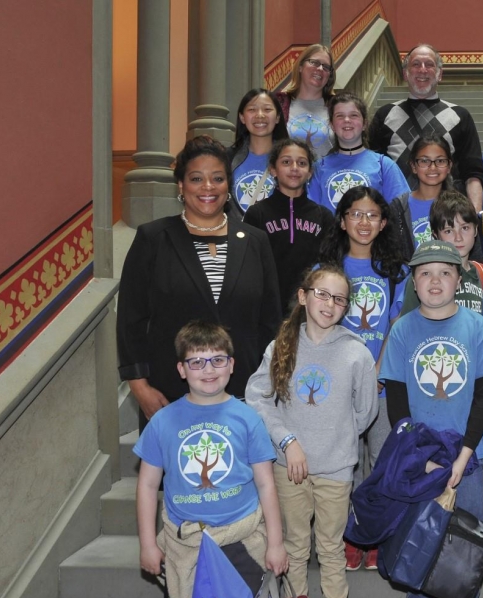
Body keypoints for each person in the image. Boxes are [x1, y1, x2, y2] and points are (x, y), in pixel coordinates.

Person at [245, 265, 378, 598]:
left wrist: (334, 439)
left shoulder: (356, 352)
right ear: (304, 296)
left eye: (339, 299)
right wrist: (289, 441)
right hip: (291, 468)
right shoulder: (281, 346)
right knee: (295, 546)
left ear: (345, 307)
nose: (329, 304)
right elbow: (258, 399)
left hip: (336, 469)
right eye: (322, 294)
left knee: (332, 547)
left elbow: (365, 412)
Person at [380, 240, 483, 598]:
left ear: (459, 278)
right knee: (419, 534)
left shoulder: (476, 326)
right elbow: (397, 404)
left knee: (464, 540)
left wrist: (465, 453)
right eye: (426, 273)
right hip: (421, 460)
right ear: (414, 281)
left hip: (467, 459)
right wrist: (423, 459)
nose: (435, 281)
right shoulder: (402, 330)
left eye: (445, 273)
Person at [135, 320, 287, 598]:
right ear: (181, 369)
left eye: (217, 359)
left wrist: (275, 543)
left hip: (241, 542)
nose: (208, 369)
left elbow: (266, 484)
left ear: (231, 365)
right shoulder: (163, 421)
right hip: (185, 544)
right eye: (197, 361)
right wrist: (148, 544)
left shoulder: (247, 419)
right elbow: (147, 486)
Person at [117, 136, 282, 428]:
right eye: (196, 178)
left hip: (243, 393)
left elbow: (270, 322)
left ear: (228, 185)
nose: (208, 187)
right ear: (181, 185)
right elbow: (131, 319)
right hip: (170, 394)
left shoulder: (256, 241)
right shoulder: (153, 239)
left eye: (217, 178)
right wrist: (139, 387)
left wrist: (267, 386)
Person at [316, 186, 408, 571]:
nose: (364, 222)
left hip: (382, 381)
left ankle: (377, 536)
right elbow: (318, 326)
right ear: (342, 220)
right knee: (345, 464)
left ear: (384, 222)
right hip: (339, 382)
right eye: (356, 214)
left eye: (372, 215)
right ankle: (350, 537)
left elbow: (397, 322)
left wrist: (378, 369)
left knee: (382, 460)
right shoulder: (326, 271)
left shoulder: (396, 271)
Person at [368, 44, 483, 209]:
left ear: (439, 74)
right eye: (416, 64)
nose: (422, 70)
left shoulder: (460, 116)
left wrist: (475, 217)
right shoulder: (385, 115)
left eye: (429, 65)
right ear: (405, 74)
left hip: (447, 215)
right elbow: (372, 171)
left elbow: (473, 174)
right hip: (397, 213)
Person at [243, 138, 335, 313]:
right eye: (286, 162)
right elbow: (249, 268)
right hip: (266, 307)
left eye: (301, 163)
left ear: (309, 172)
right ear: (273, 169)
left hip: (309, 308)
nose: (294, 167)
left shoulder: (323, 216)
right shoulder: (257, 214)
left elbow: (330, 267)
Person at [307, 91, 410, 215]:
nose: (347, 120)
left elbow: (402, 212)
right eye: (340, 116)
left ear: (365, 124)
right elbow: (311, 215)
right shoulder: (318, 167)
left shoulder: (384, 165)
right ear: (332, 125)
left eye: (353, 115)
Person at [399, 191, 483, 317]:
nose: (458, 238)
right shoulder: (424, 275)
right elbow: (407, 325)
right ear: (435, 235)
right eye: (448, 231)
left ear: (475, 229)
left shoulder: (482, 273)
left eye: (465, 228)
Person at [389, 133, 454, 258]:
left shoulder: (461, 206)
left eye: (440, 161)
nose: (433, 167)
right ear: (413, 166)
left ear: (449, 166)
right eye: (424, 161)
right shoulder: (399, 208)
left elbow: (474, 258)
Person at [228, 88, 291, 216]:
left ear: (278, 117)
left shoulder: (291, 160)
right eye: (252, 110)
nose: (260, 115)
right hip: (237, 233)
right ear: (242, 117)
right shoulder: (227, 158)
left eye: (267, 109)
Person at [276, 43, 337, 158]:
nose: (320, 68)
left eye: (326, 67)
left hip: (328, 174)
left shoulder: (337, 106)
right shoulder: (279, 105)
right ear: (300, 67)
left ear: (329, 75)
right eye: (314, 62)